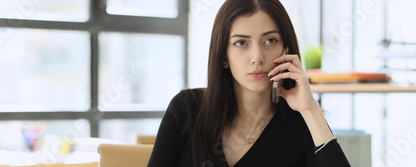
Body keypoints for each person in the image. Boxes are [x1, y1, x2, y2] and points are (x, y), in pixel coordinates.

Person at [148, 0, 350, 166]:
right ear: (223, 57)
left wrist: (310, 110)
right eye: (241, 43)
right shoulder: (186, 109)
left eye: (270, 41)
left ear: (286, 51)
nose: (257, 57)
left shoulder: (303, 124)